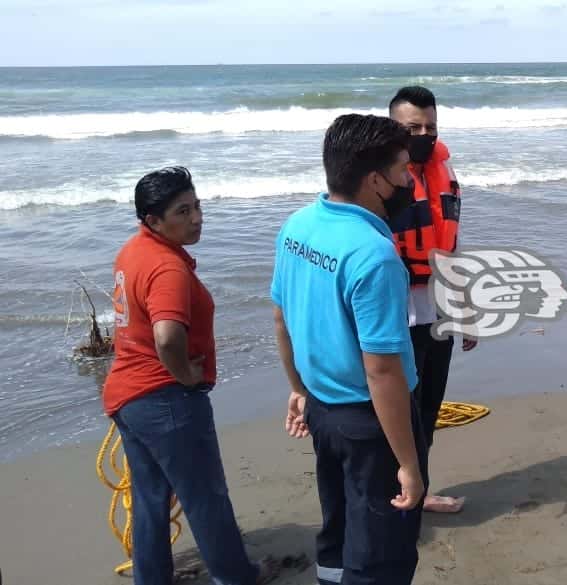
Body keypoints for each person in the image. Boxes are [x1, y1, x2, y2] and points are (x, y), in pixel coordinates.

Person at [102, 167, 277, 585]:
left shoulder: (133, 251)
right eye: (183, 211)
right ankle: (237, 577)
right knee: (206, 499)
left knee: (149, 502)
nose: (197, 218)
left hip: (128, 396)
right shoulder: (168, 268)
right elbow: (166, 336)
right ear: (153, 221)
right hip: (165, 401)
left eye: (197, 206)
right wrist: (184, 377)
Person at [272, 114, 427, 585]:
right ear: (376, 180)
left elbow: (280, 316)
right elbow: (382, 371)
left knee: (338, 529)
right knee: (381, 551)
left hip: (322, 408)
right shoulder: (373, 254)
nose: (409, 181)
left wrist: (298, 388)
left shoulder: (299, 225)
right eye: (403, 170)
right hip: (369, 422)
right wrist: (408, 463)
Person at [387, 86, 475, 514]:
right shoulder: (378, 179)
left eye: (430, 127)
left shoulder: (445, 171)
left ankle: (419, 493)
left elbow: (451, 246)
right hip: (394, 316)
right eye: (412, 128)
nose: (423, 134)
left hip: (437, 311)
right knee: (394, 415)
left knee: (428, 409)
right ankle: (395, 498)